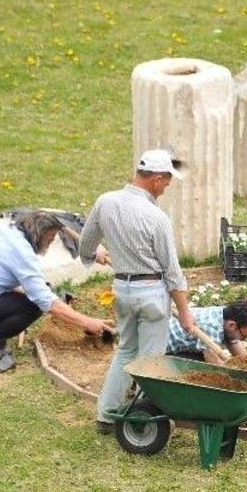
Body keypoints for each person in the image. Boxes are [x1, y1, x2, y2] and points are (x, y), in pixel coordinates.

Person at [78, 148, 196, 434]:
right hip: (151, 293)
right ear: (156, 179)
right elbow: (172, 272)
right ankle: (144, 420)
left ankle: (106, 416)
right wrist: (184, 311)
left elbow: (85, 246)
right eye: (167, 182)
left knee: (126, 351)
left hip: (122, 289)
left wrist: (95, 254)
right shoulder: (156, 218)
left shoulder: (105, 202)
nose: (166, 188)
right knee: (151, 360)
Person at [0, 211, 113, 374]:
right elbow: (45, 302)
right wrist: (87, 322)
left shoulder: (2, 230)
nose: (50, 243)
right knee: (33, 305)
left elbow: (55, 218)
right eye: (50, 239)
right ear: (40, 234)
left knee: (31, 293)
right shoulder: (22, 254)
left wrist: (90, 247)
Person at [164, 300, 247, 364]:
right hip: (162, 350)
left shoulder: (227, 316)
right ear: (232, 325)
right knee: (202, 366)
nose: (243, 340)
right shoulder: (212, 327)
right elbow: (214, 362)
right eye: (243, 336)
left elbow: (234, 342)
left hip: (178, 345)